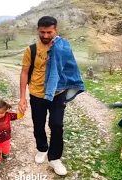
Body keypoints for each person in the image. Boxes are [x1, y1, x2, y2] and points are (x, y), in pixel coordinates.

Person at [18, 16, 84, 176]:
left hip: (57, 94)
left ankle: (55, 158)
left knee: (56, 125)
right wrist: (22, 97)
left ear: (56, 31)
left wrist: (69, 91)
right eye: (42, 32)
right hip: (36, 95)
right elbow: (24, 72)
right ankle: (42, 148)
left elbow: (70, 69)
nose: (46, 36)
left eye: (49, 32)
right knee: (38, 124)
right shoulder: (31, 50)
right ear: (38, 30)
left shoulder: (63, 48)